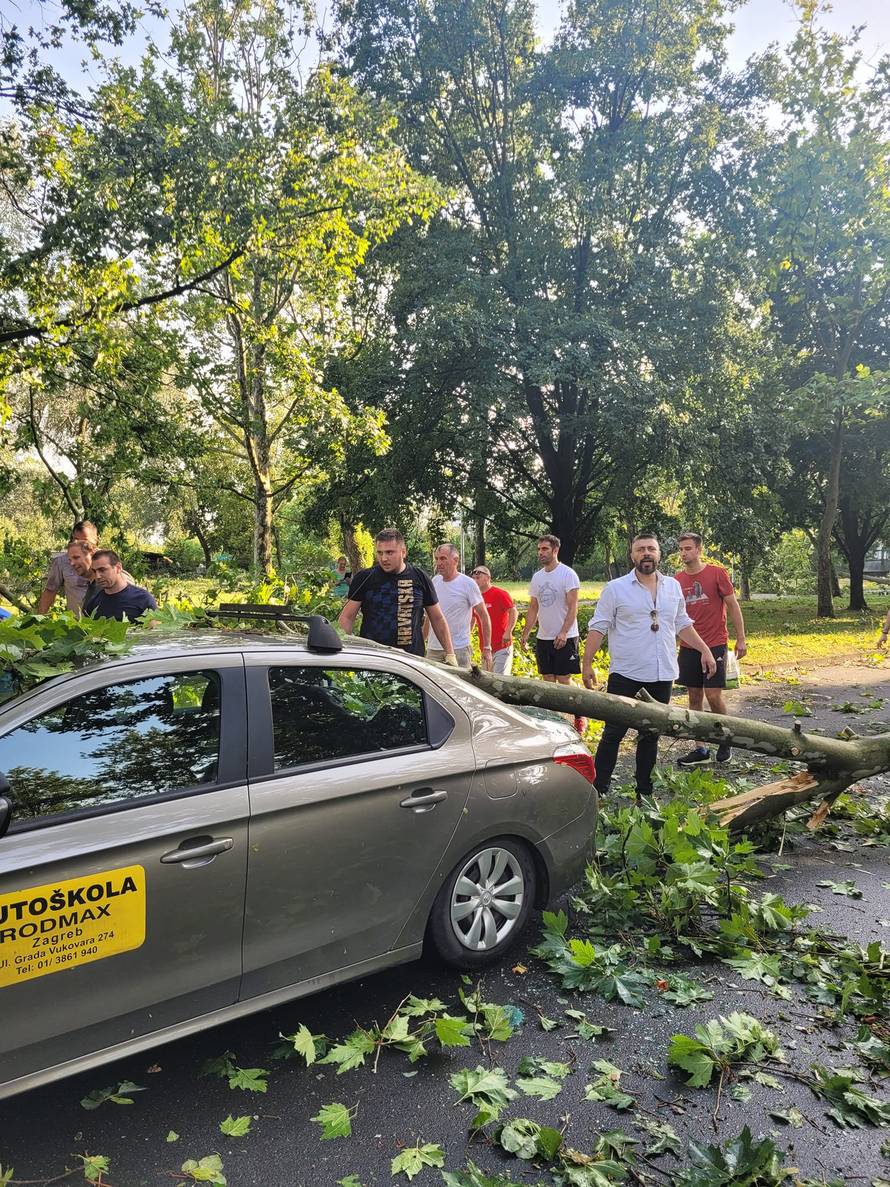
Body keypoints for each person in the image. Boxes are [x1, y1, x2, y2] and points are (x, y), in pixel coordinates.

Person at [581, 532, 716, 800]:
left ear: (659, 554)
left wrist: (704, 649)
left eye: (651, 549)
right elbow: (599, 626)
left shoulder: (672, 587)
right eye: (640, 549)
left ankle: (644, 793)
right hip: (626, 673)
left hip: (661, 673)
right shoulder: (616, 588)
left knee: (650, 735)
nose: (646, 553)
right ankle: (598, 791)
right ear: (632, 555)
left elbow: (682, 623)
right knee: (613, 733)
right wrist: (587, 663)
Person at [674, 531, 748, 766]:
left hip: (715, 642)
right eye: (681, 549)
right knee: (694, 696)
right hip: (689, 645)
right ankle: (701, 748)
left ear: (699, 549)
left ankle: (725, 738)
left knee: (713, 695)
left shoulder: (717, 573)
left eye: (688, 548)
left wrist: (741, 638)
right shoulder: (677, 580)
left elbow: (733, 606)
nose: (684, 553)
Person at [338, 529, 457, 661]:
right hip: (373, 660)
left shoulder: (420, 577)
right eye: (380, 553)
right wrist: (344, 652)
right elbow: (347, 618)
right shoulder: (364, 578)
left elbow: (437, 618)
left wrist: (450, 654)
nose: (384, 558)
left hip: (411, 661)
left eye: (390, 552)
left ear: (403, 552)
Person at [520, 535, 581, 684]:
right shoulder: (537, 577)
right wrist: (526, 633)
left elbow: (573, 607)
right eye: (539, 549)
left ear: (555, 550)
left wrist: (564, 632)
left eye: (545, 549)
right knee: (547, 678)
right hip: (544, 637)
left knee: (563, 678)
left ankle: (578, 699)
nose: (540, 552)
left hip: (565, 636)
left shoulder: (568, 574)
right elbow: (533, 607)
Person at [424, 544, 492, 668]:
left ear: (455, 560)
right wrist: (422, 639)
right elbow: (430, 615)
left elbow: (483, 615)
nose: (439, 563)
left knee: (459, 680)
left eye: (443, 558)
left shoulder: (468, 584)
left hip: (459, 648)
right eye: (437, 559)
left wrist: (487, 647)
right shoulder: (435, 581)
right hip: (434, 649)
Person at [36, 520, 99, 613]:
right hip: (76, 620)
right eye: (76, 540)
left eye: (84, 542)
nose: (79, 544)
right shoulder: (61, 562)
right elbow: (50, 591)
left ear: (95, 542)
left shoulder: (106, 561)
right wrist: (39, 618)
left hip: (103, 620)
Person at [82, 551, 157, 621]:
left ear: (118, 568)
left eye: (102, 570)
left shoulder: (143, 599)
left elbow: (155, 629)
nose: (98, 576)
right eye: (94, 571)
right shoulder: (93, 603)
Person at [471, 566, 517, 675]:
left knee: (500, 679)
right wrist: (468, 635)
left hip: (502, 646)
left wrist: (508, 631)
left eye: (478, 577)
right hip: (485, 647)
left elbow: (513, 611)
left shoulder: (500, 593)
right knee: (487, 679)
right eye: (474, 578)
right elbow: (472, 619)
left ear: (488, 578)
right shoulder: (475, 597)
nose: (475, 580)